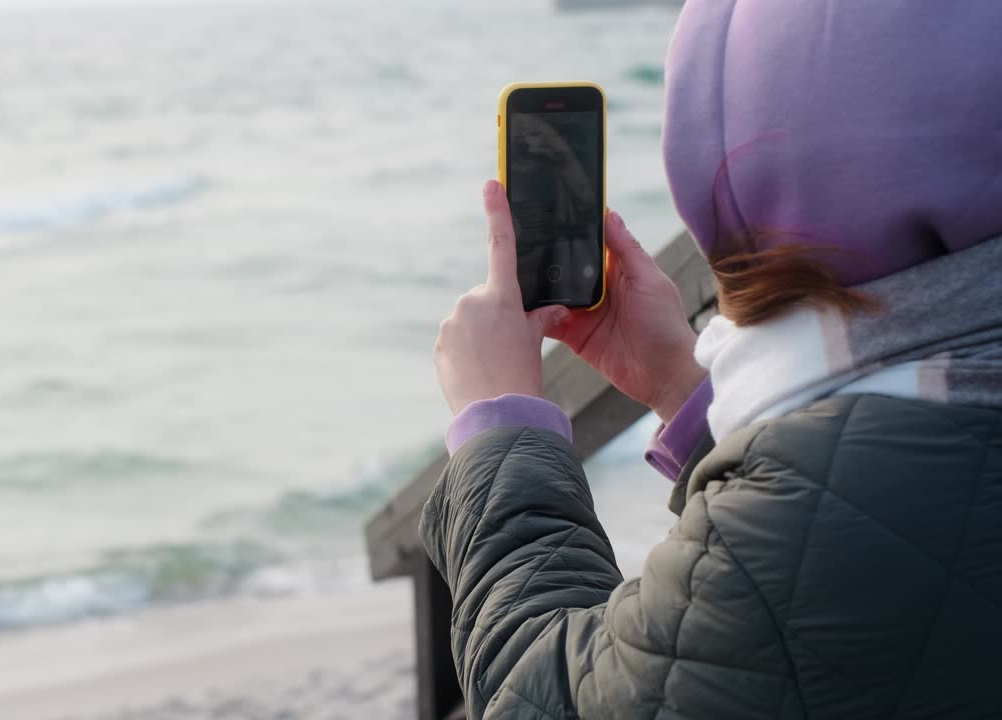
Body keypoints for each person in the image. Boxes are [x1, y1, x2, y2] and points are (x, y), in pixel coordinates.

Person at [424, 2, 1002, 718]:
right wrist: (681, 387)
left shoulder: (789, 553)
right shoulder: (948, 409)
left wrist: (500, 432)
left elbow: (540, 694)